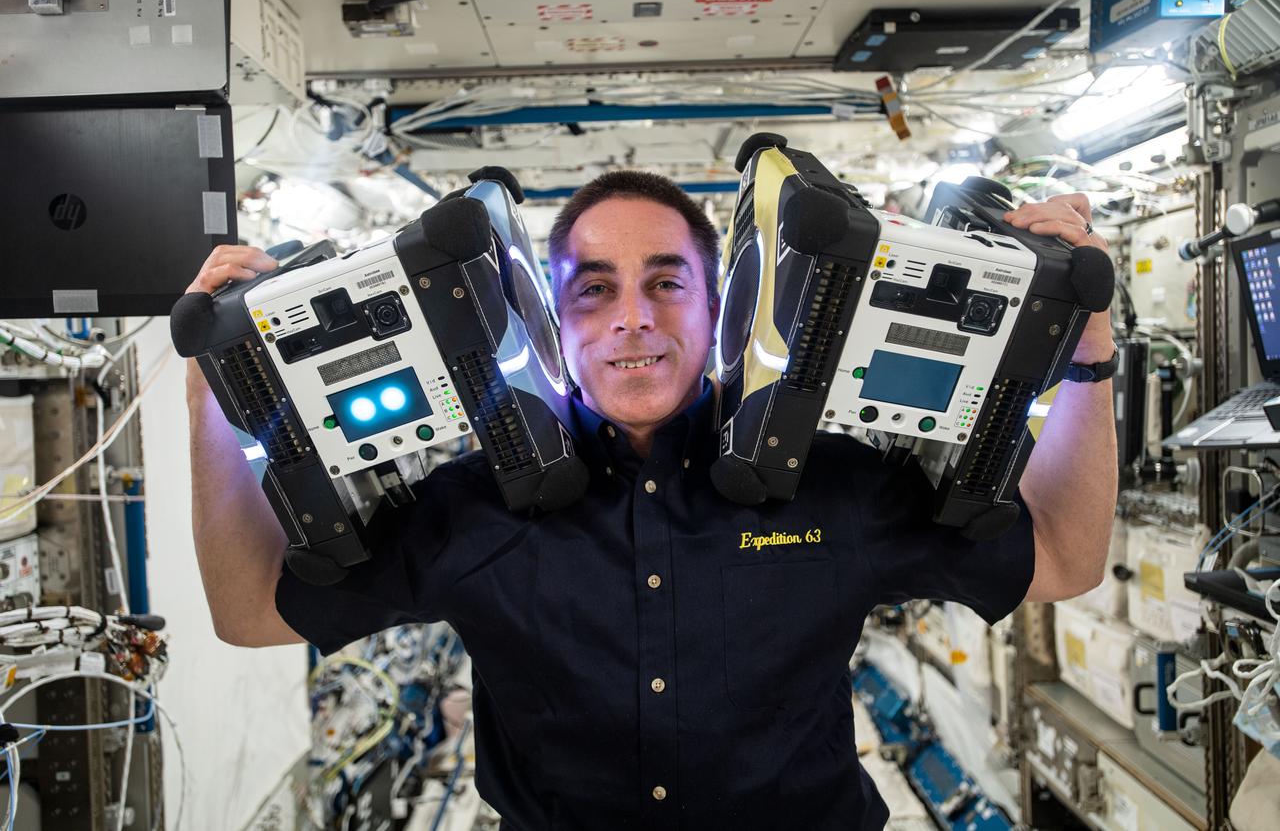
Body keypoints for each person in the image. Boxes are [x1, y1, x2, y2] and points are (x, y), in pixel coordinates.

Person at [185, 170, 1117, 829]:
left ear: (720, 304)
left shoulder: (837, 485)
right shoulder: (471, 508)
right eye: (595, 290)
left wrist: (1085, 344)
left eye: (666, 282)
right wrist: (211, 388)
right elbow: (248, 608)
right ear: (545, 318)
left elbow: (1067, 558)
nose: (633, 316)